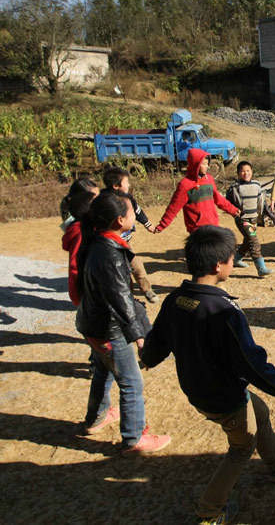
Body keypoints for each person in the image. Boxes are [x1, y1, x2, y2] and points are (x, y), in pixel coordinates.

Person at [141, 225, 275, 524]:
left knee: (259, 412)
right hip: (224, 395)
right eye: (233, 257)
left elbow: (156, 346)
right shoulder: (223, 310)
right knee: (241, 446)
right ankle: (209, 512)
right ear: (219, 265)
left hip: (199, 388)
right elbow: (251, 362)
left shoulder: (175, 300)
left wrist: (148, 358)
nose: (234, 261)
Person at [75, 190, 171, 455]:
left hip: (91, 325)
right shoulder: (111, 254)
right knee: (131, 382)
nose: (135, 214)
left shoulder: (96, 241)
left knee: (104, 372)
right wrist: (140, 337)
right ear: (119, 220)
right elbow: (122, 301)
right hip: (109, 330)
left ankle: (96, 418)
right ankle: (134, 437)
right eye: (131, 211)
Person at [103, 167, 159, 303]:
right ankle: (128, 298)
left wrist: (148, 225)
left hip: (126, 244)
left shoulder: (128, 199)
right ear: (116, 186)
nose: (129, 185)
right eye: (126, 182)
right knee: (122, 273)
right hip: (112, 246)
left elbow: (138, 212)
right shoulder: (106, 202)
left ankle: (147, 290)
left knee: (137, 266)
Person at [155, 148, 239, 234]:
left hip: (213, 225)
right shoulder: (185, 185)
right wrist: (162, 225)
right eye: (204, 164)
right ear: (196, 164)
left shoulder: (209, 179)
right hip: (197, 230)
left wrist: (233, 210)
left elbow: (219, 199)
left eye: (207, 163)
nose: (207, 166)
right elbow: (173, 207)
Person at [226, 160, 273, 278]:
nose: (245, 173)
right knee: (254, 242)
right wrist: (234, 211)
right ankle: (261, 268)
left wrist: (270, 215)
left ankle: (235, 260)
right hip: (242, 219)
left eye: (248, 171)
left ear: (252, 172)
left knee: (248, 241)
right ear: (238, 173)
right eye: (242, 171)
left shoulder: (257, 185)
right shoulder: (234, 188)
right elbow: (227, 203)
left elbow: (261, 202)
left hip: (254, 219)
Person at [62, 191, 97, 306]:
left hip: (83, 290)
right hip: (86, 291)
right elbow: (75, 265)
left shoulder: (78, 229)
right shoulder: (84, 232)